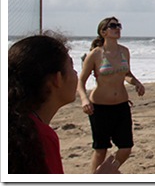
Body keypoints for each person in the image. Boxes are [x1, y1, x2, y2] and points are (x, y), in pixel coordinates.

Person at [8, 33, 120, 174]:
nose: (75, 74)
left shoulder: (18, 124)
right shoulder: (39, 137)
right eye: (72, 68)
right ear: (57, 79)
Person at [78, 17, 145, 173]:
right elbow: (80, 81)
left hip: (121, 105)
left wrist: (136, 83)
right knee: (101, 149)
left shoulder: (124, 51)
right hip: (99, 108)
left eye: (119, 26)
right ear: (103, 32)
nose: (117, 28)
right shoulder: (95, 54)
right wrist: (84, 99)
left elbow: (127, 73)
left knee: (126, 147)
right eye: (113, 26)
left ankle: (104, 173)